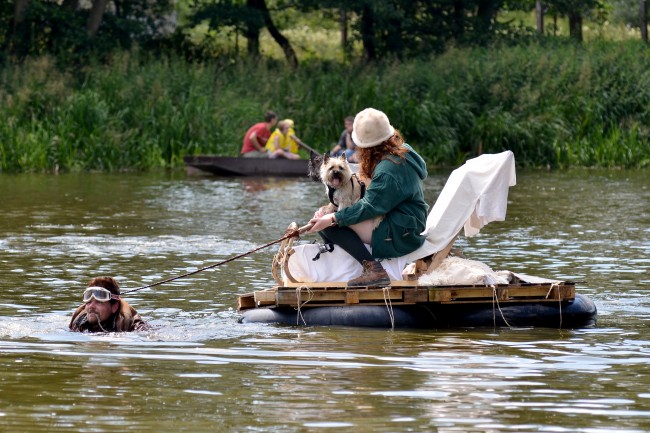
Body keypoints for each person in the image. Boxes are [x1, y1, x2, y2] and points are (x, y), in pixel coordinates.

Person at [308, 108, 429, 287]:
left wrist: (333, 217)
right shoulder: (403, 151)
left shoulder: (388, 170)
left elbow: (370, 206)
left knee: (329, 227)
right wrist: (330, 208)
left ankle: (375, 271)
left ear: (365, 146)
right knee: (327, 219)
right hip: (410, 220)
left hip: (402, 231)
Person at [69, 277, 148, 332]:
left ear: (114, 307)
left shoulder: (137, 328)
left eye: (99, 302)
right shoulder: (78, 323)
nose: (91, 306)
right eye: (89, 302)